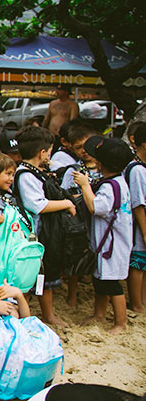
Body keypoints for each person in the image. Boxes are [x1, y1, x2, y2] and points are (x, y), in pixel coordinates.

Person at [13, 125, 77, 327]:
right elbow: (37, 205)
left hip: (44, 233)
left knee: (44, 275)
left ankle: (48, 316)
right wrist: (67, 204)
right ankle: (22, 316)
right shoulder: (25, 174)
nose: (51, 156)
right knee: (28, 276)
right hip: (31, 233)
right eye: (49, 152)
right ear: (42, 153)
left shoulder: (36, 171)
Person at [73, 136, 133, 334]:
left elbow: (95, 207)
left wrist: (84, 185)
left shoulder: (110, 187)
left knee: (112, 284)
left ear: (101, 163)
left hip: (112, 247)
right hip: (108, 245)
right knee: (100, 280)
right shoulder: (117, 181)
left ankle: (120, 323)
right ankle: (99, 315)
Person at [126, 125, 146, 313]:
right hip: (140, 225)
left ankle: (143, 301)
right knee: (138, 263)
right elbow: (138, 204)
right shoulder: (137, 169)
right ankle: (136, 303)